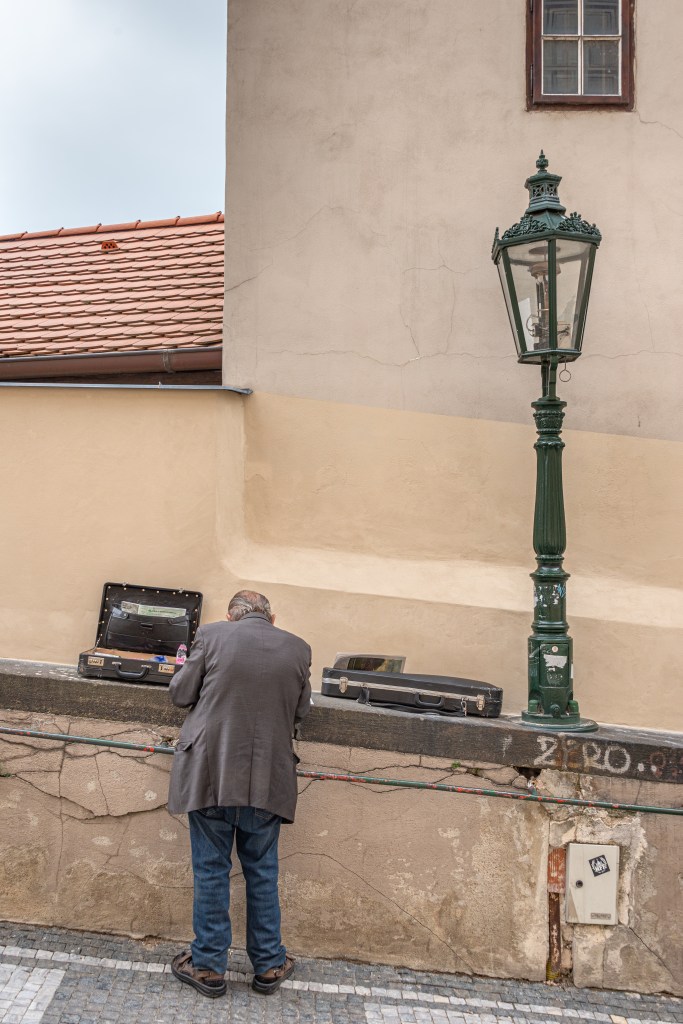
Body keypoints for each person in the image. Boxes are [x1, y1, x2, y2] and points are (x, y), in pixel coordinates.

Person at [167, 589, 312, 997]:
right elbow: (302, 711)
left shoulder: (211, 635)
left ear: (231, 616)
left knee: (211, 870)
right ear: (272, 616)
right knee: (262, 872)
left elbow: (180, 694)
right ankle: (268, 965)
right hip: (268, 778)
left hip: (211, 773)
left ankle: (209, 967)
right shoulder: (299, 649)